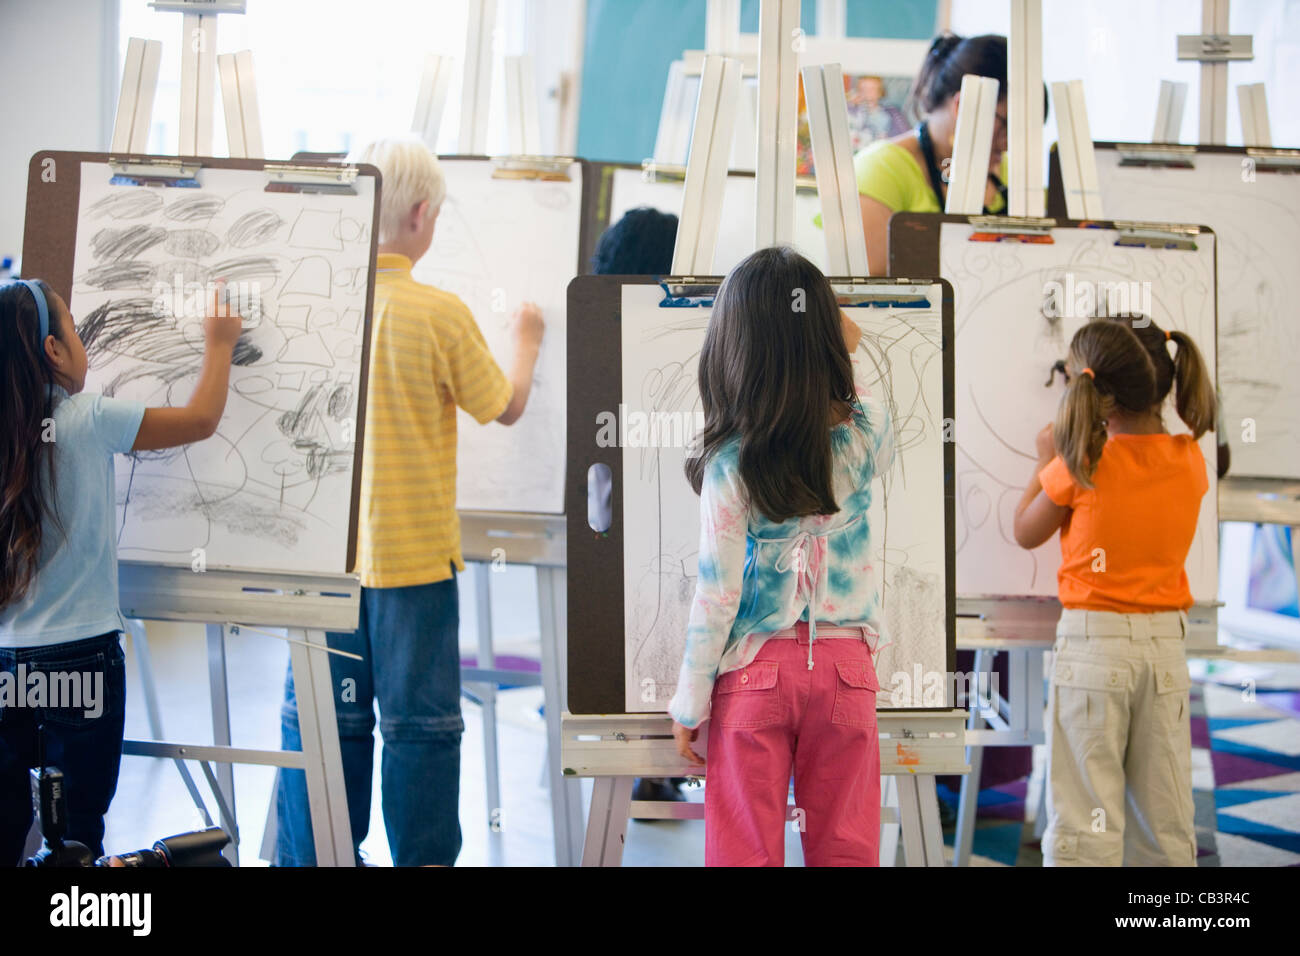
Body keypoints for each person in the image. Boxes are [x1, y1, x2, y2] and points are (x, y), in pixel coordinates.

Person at [275, 136, 545, 867]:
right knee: (421, 729)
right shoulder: (440, 313)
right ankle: (422, 859)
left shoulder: (323, 305)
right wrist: (527, 338)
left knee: (325, 724)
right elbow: (505, 406)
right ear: (423, 215)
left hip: (323, 562)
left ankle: (316, 856)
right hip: (415, 566)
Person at [0, 278, 240, 864]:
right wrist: (220, 345)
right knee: (76, 836)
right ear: (54, 351)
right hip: (81, 661)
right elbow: (200, 419)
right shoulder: (88, 418)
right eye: (76, 330)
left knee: (7, 828)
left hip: (7, 661)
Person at [669, 247, 895, 866]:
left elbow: (716, 592)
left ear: (732, 349)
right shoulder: (862, 433)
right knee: (847, 849)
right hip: (847, 673)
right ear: (825, 339)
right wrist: (845, 342)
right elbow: (867, 399)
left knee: (743, 852)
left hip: (755, 673)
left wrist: (690, 702)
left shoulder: (731, 460)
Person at [1013, 318, 1216, 866]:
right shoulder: (1190, 459)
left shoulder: (1081, 463)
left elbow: (1025, 530)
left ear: (1093, 391)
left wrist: (1044, 461)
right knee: (1165, 819)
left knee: (1085, 823)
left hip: (1094, 652)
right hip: (1166, 655)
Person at [589, 206, 685, 806]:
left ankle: (645, 767)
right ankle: (652, 765)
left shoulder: (593, 338)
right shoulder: (673, 349)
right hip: (653, 543)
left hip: (612, 544)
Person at [855, 33, 1048, 275]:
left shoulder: (1011, 174)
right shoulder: (881, 170)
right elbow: (865, 297)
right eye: (1005, 125)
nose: (1008, 144)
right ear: (963, 105)